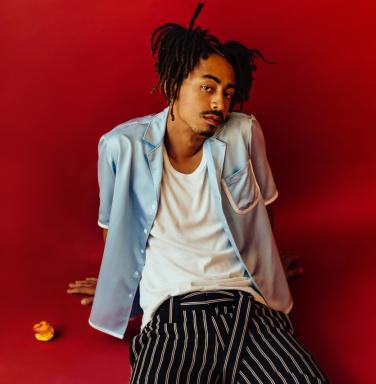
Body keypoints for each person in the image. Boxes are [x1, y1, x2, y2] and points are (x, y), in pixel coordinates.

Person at [68, 3, 328, 383]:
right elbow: (115, 230)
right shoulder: (119, 147)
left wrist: (267, 261)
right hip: (173, 317)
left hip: (250, 309)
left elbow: (263, 208)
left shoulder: (244, 134)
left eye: (228, 92)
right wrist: (120, 280)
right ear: (174, 85)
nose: (220, 103)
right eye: (208, 87)